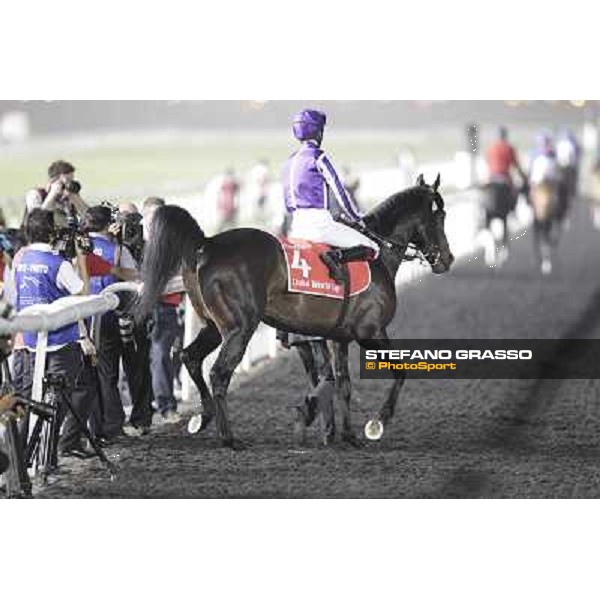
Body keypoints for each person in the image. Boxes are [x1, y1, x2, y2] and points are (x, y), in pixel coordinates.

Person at [9, 208, 97, 460]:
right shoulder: (58, 264)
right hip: (60, 341)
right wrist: (80, 258)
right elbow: (84, 294)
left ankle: (24, 455)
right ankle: (47, 454)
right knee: (61, 396)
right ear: (52, 233)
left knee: (28, 398)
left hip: (28, 339)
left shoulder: (21, 259)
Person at [282, 109, 379, 283]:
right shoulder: (318, 156)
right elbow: (340, 191)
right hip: (320, 226)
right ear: (318, 132)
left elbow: (287, 202)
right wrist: (357, 217)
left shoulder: (289, 161)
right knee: (372, 247)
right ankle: (335, 258)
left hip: (295, 228)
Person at [82, 206, 141, 440]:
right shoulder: (117, 249)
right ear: (109, 225)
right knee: (107, 374)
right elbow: (135, 276)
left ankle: (89, 428)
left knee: (83, 377)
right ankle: (112, 426)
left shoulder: (78, 248)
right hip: (107, 318)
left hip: (77, 320)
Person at [142, 197, 184, 424]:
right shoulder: (134, 244)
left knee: (160, 358)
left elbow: (184, 279)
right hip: (140, 310)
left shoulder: (174, 246)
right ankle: (144, 410)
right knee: (141, 361)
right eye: (150, 216)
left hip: (166, 309)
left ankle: (166, 406)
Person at [24, 160, 88, 226]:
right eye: (67, 181)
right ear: (52, 181)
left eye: (71, 181)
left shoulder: (68, 198)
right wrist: (53, 194)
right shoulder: (35, 195)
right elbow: (38, 220)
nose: (67, 185)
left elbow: (90, 218)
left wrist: (75, 199)